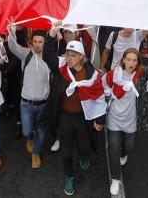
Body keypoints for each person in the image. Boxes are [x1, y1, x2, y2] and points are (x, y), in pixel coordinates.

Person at [43, 23, 106, 196]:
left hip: (83, 118)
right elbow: (47, 54)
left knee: (84, 147)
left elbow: (99, 96)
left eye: (73, 55)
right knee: (66, 152)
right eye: (67, 54)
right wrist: (51, 34)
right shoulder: (61, 67)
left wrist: (99, 120)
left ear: (81, 57)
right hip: (64, 118)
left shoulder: (91, 74)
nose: (68, 58)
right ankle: (69, 176)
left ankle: (84, 155)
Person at [105, 41, 148, 195]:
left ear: (138, 62)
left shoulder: (140, 75)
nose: (131, 63)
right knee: (113, 150)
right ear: (123, 60)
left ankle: (124, 153)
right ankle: (115, 179)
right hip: (114, 119)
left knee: (128, 146)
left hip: (131, 121)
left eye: (134, 60)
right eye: (128, 60)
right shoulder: (114, 74)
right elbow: (104, 88)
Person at [6, 20, 54, 168]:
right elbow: (12, 46)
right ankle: (30, 138)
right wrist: (11, 32)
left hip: (43, 104)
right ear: (31, 42)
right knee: (27, 131)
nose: (38, 44)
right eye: (35, 41)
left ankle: (36, 153)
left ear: (45, 43)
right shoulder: (25, 54)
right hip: (26, 103)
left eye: (41, 41)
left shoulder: (51, 58)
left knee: (41, 131)